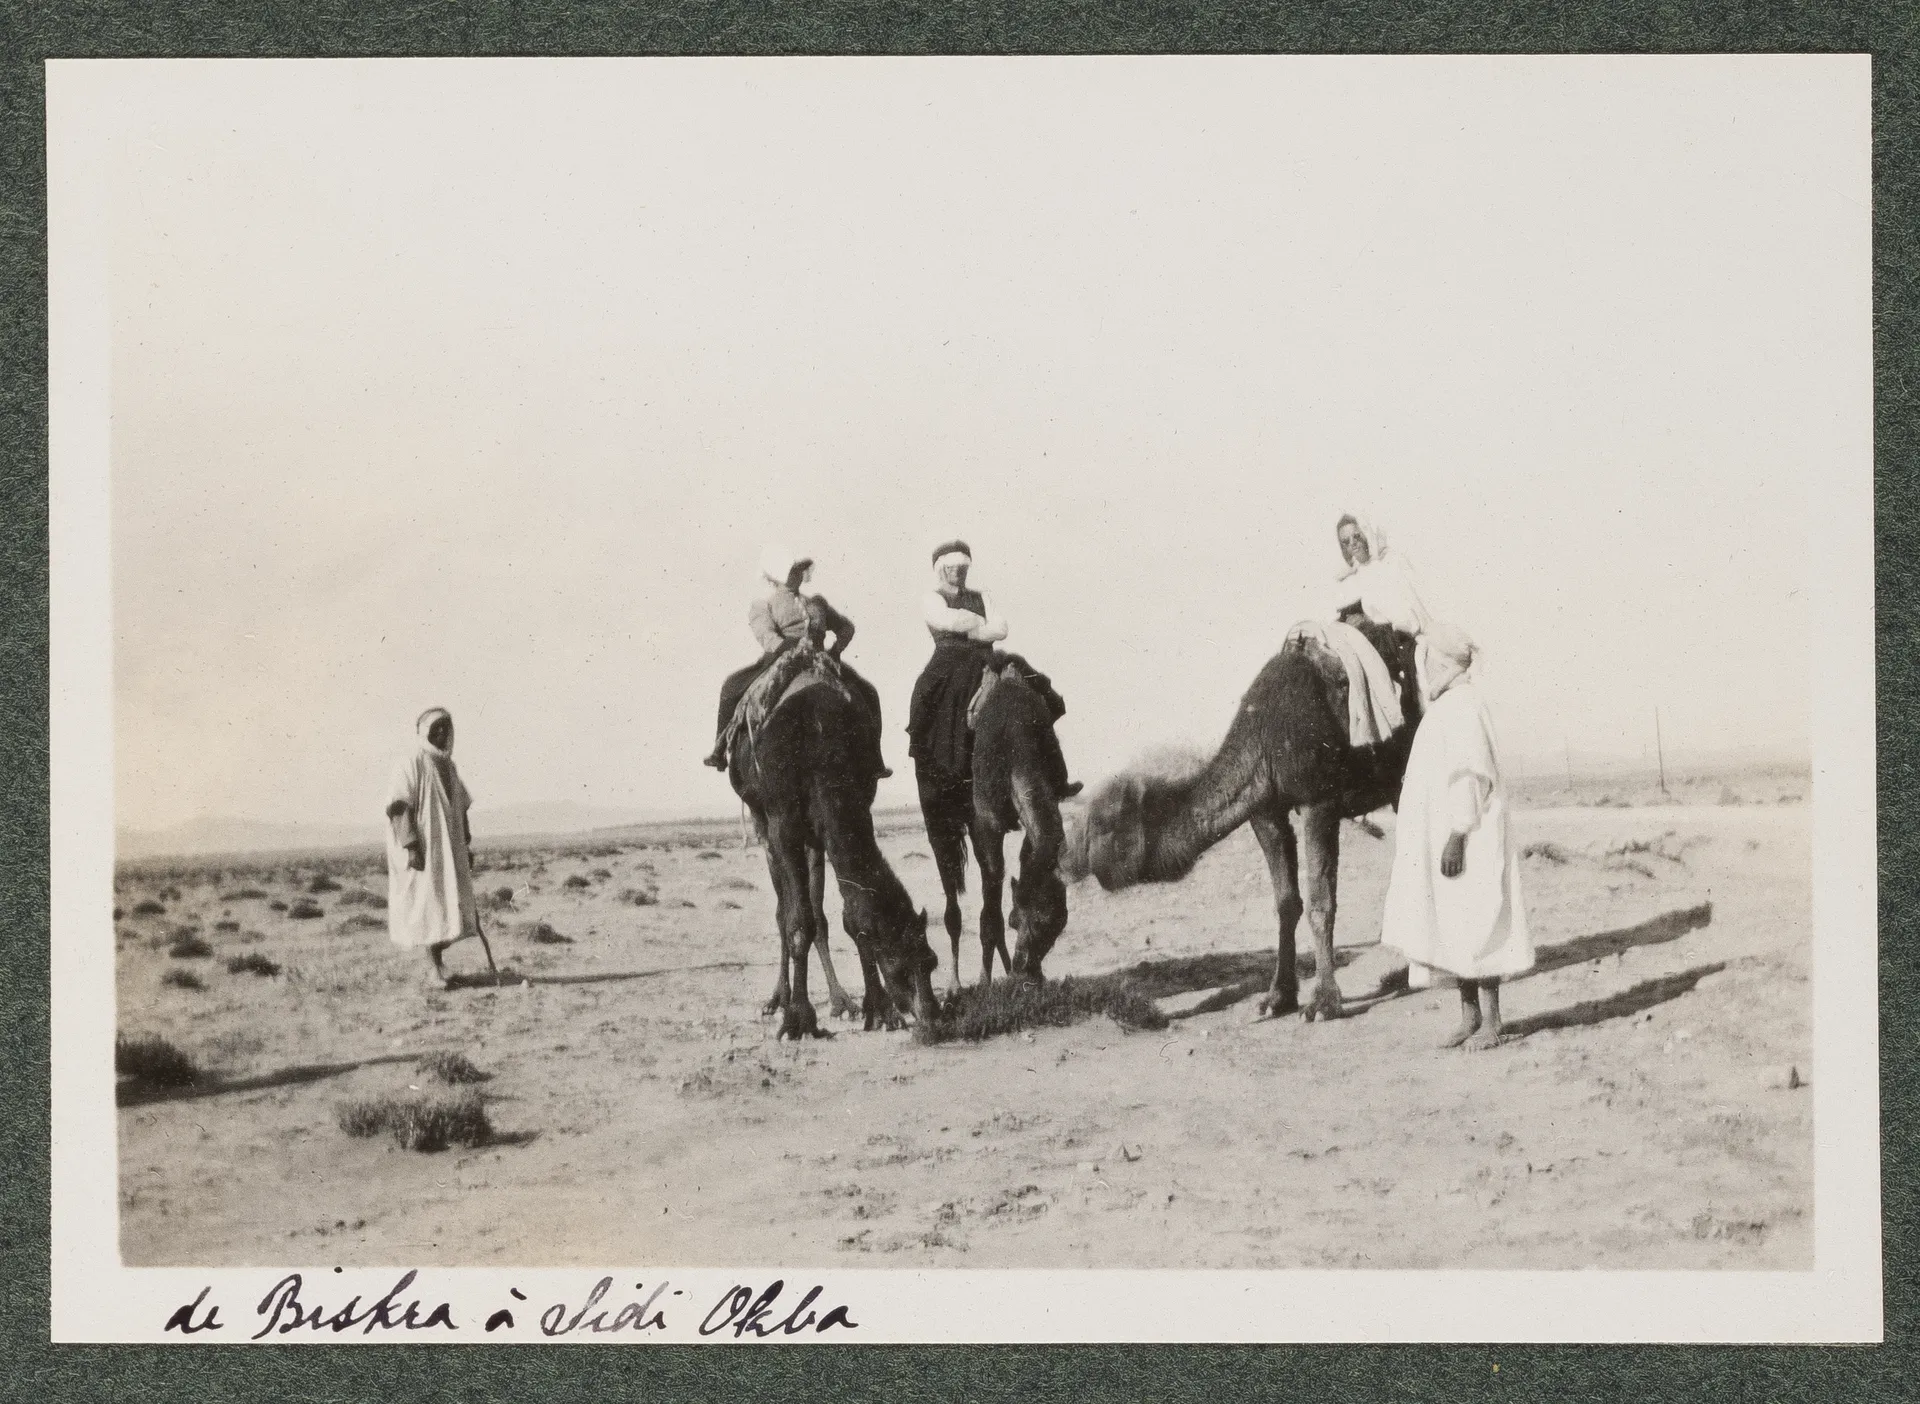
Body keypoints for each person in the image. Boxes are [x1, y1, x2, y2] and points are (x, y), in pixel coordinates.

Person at [1379, 624, 1534, 1050]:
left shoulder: (1464, 707)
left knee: (1477, 919)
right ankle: (1469, 1016)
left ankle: (1493, 1022)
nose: (1425, 668)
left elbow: (1470, 777)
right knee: (1453, 923)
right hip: (1445, 838)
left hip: (1466, 837)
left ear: (1445, 664)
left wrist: (1457, 836)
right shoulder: (1446, 708)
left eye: (1429, 661)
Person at [906, 540, 1078, 797]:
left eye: (963, 567)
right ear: (941, 569)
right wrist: (978, 624)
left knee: (1035, 684)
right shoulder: (932, 598)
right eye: (953, 567)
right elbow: (946, 620)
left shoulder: (981, 595)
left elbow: (1001, 628)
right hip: (947, 659)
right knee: (924, 692)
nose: (959, 572)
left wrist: (970, 627)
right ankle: (924, 751)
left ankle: (1057, 777)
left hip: (987, 657)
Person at [703, 546, 889, 778]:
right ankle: (719, 749)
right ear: (779, 575)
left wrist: (835, 650)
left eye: (799, 571)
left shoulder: (817, 603)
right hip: (781, 657)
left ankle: (874, 758)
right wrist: (787, 647)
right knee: (732, 687)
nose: (797, 576)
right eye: (792, 571)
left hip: (821, 659)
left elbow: (845, 627)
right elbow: (766, 634)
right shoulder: (764, 605)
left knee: (867, 691)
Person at [384, 707, 480, 990]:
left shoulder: (449, 767)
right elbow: (399, 806)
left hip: (449, 852)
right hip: (424, 852)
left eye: (446, 728)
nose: (441, 734)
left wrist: (465, 844)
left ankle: (438, 966)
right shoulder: (411, 762)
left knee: (447, 908)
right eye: (435, 728)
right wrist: (411, 846)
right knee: (428, 908)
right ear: (425, 732)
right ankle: (432, 970)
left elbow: (460, 807)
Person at [1332, 513, 1433, 638]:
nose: (1352, 543)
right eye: (1346, 542)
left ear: (1365, 534)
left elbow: (1411, 603)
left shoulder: (1389, 560)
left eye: (1356, 536)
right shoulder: (1353, 579)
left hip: (1413, 633)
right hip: (1387, 638)